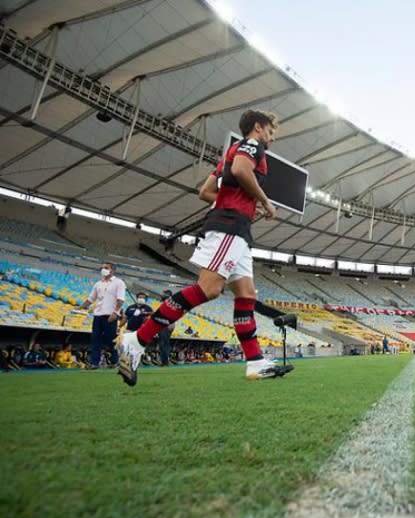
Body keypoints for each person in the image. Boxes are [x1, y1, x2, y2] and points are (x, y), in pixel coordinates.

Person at [117, 110, 292, 386]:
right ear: (258, 128)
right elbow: (241, 171)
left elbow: (206, 192)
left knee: (246, 294)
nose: (273, 137)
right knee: (209, 289)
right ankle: (137, 340)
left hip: (238, 228)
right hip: (229, 227)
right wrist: (265, 201)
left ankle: (255, 362)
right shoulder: (252, 146)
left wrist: (245, 203)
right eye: (271, 131)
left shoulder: (230, 153)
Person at [79, 263, 126, 369]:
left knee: (111, 339)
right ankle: (94, 363)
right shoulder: (98, 284)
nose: (103, 269)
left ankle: (115, 360)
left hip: (110, 314)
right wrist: (80, 307)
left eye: (106, 268)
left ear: (112, 270)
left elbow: (120, 299)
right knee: (95, 338)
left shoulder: (119, 283)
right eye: (102, 268)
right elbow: (91, 299)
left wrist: (115, 313)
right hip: (98, 314)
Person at [157, 289, 175, 366]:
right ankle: (164, 361)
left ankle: (165, 361)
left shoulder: (170, 303)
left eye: (163, 293)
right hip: (162, 324)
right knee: (163, 344)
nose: (161, 295)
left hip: (166, 325)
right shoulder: (164, 303)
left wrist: (171, 323)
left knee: (164, 343)